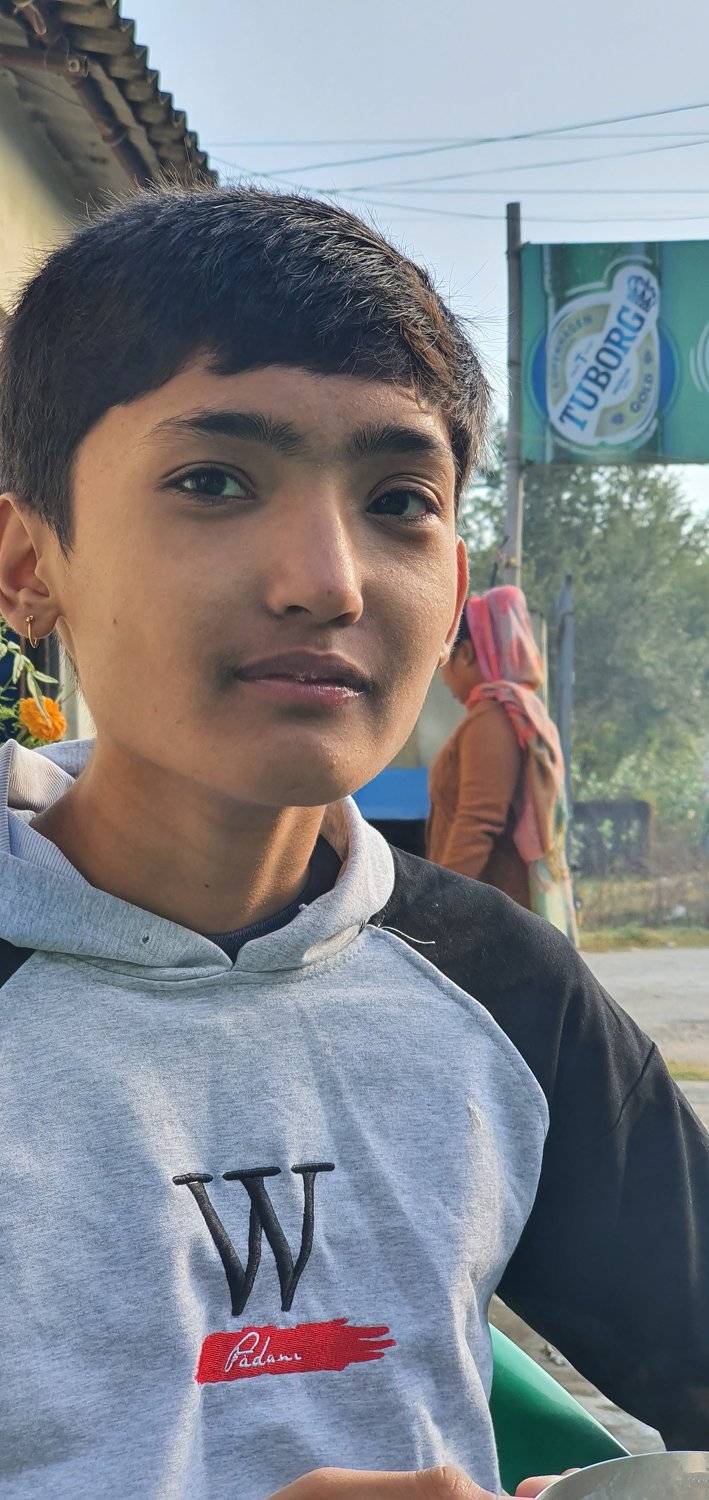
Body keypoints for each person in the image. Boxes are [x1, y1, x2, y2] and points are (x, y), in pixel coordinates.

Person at [0, 187, 706, 1500]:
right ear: (29, 563)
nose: (327, 580)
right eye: (213, 481)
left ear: (453, 588)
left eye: (398, 499)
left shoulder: (502, 988)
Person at [429, 585, 578, 940]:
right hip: (505, 906)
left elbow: (477, 824)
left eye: (447, 660)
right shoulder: (521, 711)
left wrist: (439, 910)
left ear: (466, 654)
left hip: (489, 916)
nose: (443, 676)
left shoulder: (491, 718)